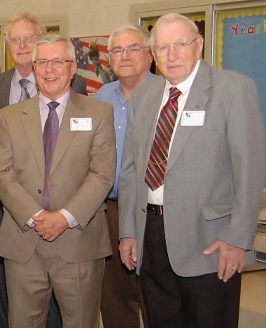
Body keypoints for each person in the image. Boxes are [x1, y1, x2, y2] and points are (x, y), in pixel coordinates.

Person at [118, 13, 266, 328]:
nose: (171, 56)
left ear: (198, 46)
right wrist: (129, 231)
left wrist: (238, 239)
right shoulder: (144, 96)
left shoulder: (233, 89)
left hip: (211, 241)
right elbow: (131, 171)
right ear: (153, 54)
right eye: (162, 47)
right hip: (151, 237)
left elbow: (250, 172)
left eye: (180, 45)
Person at [0, 34, 115, 328]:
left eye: (58, 61)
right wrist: (36, 216)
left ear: (73, 68)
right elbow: (2, 173)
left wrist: (64, 217)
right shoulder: (9, 117)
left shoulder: (99, 114)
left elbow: (102, 174)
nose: (50, 69)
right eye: (43, 62)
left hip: (79, 242)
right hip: (24, 243)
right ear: (34, 67)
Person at [93, 24, 153, 328]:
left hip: (151, 208)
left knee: (154, 293)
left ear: (150, 54)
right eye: (118, 49)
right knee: (114, 297)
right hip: (109, 210)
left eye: (134, 48)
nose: (125, 55)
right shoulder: (102, 97)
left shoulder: (164, 95)